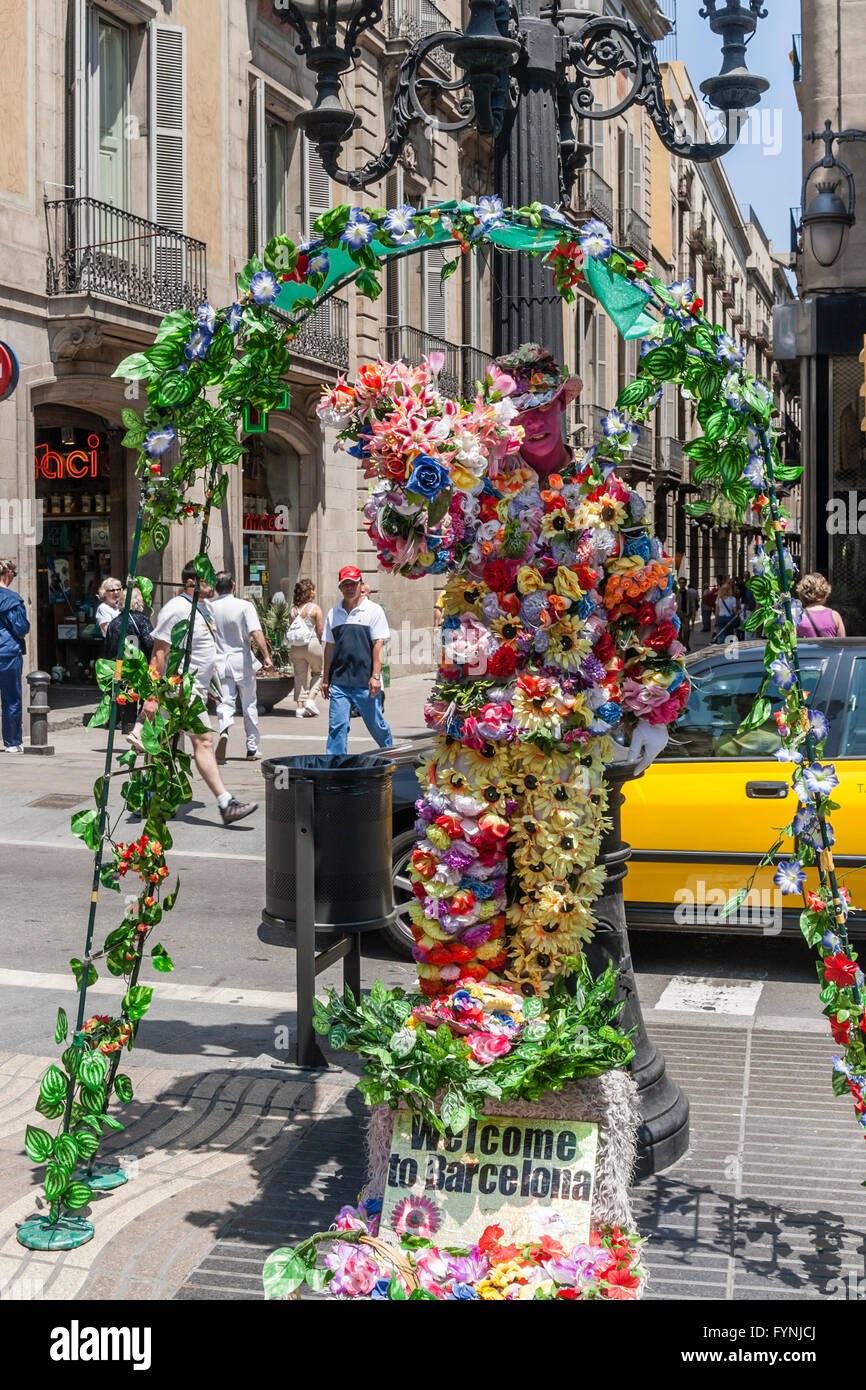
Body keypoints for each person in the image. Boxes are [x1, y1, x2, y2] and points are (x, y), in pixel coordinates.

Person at [143, 560, 257, 825]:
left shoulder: (205, 607)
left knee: (163, 746)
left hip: (196, 690)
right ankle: (225, 803)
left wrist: (212, 685)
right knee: (202, 742)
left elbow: (205, 650)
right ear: (191, 583)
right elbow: (158, 655)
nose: (214, 583)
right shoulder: (176, 610)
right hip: (179, 691)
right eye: (207, 579)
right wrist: (151, 697)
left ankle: (151, 797)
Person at [322, 565, 393, 755]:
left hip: (365, 682)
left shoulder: (373, 610)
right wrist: (325, 678)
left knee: (376, 725)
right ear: (340, 588)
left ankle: (391, 753)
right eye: (345, 584)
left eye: (352, 584)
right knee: (337, 727)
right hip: (339, 682)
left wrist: (376, 676)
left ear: (360, 584)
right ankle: (335, 767)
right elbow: (329, 647)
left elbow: (378, 645)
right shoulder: (333, 613)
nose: (349, 588)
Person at [211, 571, 273, 762]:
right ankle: (252, 748)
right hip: (242, 659)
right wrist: (266, 656)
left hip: (220, 660)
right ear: (234, 586)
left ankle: (224, 729)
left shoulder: (210, 608)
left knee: (225, 701)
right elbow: (255, 631)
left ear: (215, 588)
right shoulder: (244, 606)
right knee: (249, 704)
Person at [103, 587, 154, 735]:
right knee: (145, 697)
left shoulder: (114, 623)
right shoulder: (142, 619)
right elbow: (149, 642)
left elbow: (109, 648)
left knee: (128, 698)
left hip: (119, 667)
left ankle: (128, 725)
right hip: (139, 666)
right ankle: (140, 730)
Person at [0, 557, 29, 752]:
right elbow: (20, 627)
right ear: (8, 573)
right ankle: (12, 742)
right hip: (7, 653)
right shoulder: (11, 599)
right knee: (11, 698)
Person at [287, 578, 324, 717]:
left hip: (296, 647)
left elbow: (292, 627)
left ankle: (299, 708)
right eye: (312, 589)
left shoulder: (292, 610)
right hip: (312, 644)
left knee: (300, 676)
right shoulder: (315, 608)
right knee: (318, 673)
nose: (314, 592)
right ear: (308, 592)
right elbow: (320, 630)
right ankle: (310, 700)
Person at [796, 572, 846, 637]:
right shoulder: (834, 616)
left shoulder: (798, 617)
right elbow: (842, 644)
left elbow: (793, 643)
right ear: (825, 593)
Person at [713, 579, 740, 643]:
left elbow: (717, 611)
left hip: (721, 618)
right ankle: (728, 648)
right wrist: (738, 617)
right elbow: (734, 610)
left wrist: (715, 621)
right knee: (730, 634)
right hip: (729, 618)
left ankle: (722, 647)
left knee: (722, 634)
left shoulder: (719, 599)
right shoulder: (732, 599)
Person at [677, 575, 698, 650]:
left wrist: (693, 616)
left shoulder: (689, 594)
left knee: (686, 631)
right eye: (680, 583)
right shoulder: (676, 593)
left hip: (686, 615)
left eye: (683, 583)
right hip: (678, 615)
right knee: (678, 631)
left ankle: (686, 644)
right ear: (678, 583)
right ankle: (680, 645)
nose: (682, 584)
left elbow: (693, 605)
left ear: (685, 584)